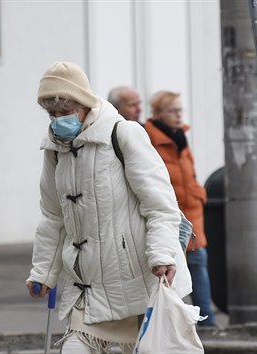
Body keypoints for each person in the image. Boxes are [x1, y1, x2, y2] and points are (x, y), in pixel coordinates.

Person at [25, 62, 192, 353]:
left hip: (136, 284)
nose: (57, 121)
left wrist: (162, 254)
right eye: (52, 114)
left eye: (65, 113)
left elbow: (161, 205)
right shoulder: (54, 150)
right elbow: (53, 216)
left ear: (84, 105)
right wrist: (42, 272)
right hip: (85, 289)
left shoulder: (123, 134)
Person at [144, 90, 217, 327]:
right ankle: (175, 327)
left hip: (192, 214)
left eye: (180, 109)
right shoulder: (148, 138)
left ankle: (207, 322)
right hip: (169, 216)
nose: (178, 115)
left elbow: (189, 174)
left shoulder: (180, 136)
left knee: (198, 265)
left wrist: (198, 193)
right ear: (157, 113)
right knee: (172, 274)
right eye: (172, 110)